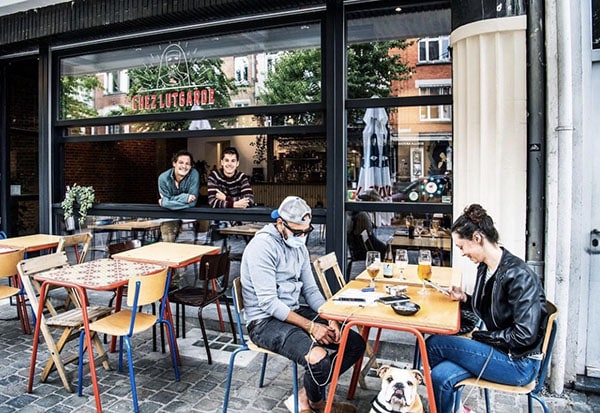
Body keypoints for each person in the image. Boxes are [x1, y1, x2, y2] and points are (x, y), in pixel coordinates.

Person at [240, 196, 366, 413]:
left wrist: (330, 318)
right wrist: (311, 326)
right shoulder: (262, 247)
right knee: (318, 360)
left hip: (291, 311)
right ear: (280, 223)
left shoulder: (298, 246)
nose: (302, 237)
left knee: (353, 342)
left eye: (306, 231)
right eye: (297, 232)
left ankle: (303, 396)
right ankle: (318, 404)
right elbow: (269, 303)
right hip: (263, 321)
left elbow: (311, 291)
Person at [426, 204, 548, 413]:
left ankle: (450, 406)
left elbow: (524, 336)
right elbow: (492, 309)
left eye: (462, 246)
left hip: (518, 363)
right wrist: (465, 298)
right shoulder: (487, 267)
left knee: (434, 344)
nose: (462, 253)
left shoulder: (519, 275)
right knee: (439, 376)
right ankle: (454, 408)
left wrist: (481, 337)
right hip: (501, 350)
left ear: (477, 238)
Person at [158, 149, 199, 243]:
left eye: (187, 164)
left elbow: (192, 203)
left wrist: (166, 201)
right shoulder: (163, 178)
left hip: (189, 217)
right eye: (181, 162)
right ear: (174, 163)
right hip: (169, 216)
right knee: (167, 244)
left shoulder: (194, 174)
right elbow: (166, 204)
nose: (184, 166)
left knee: (188, 247)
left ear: (190, 166)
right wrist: (185, 198)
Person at [347, 189, 387, 261]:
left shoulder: (357, 211)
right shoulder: (362, 215)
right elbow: (367, 241)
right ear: (371, 201)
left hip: (359, 251)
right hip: (365, 254)